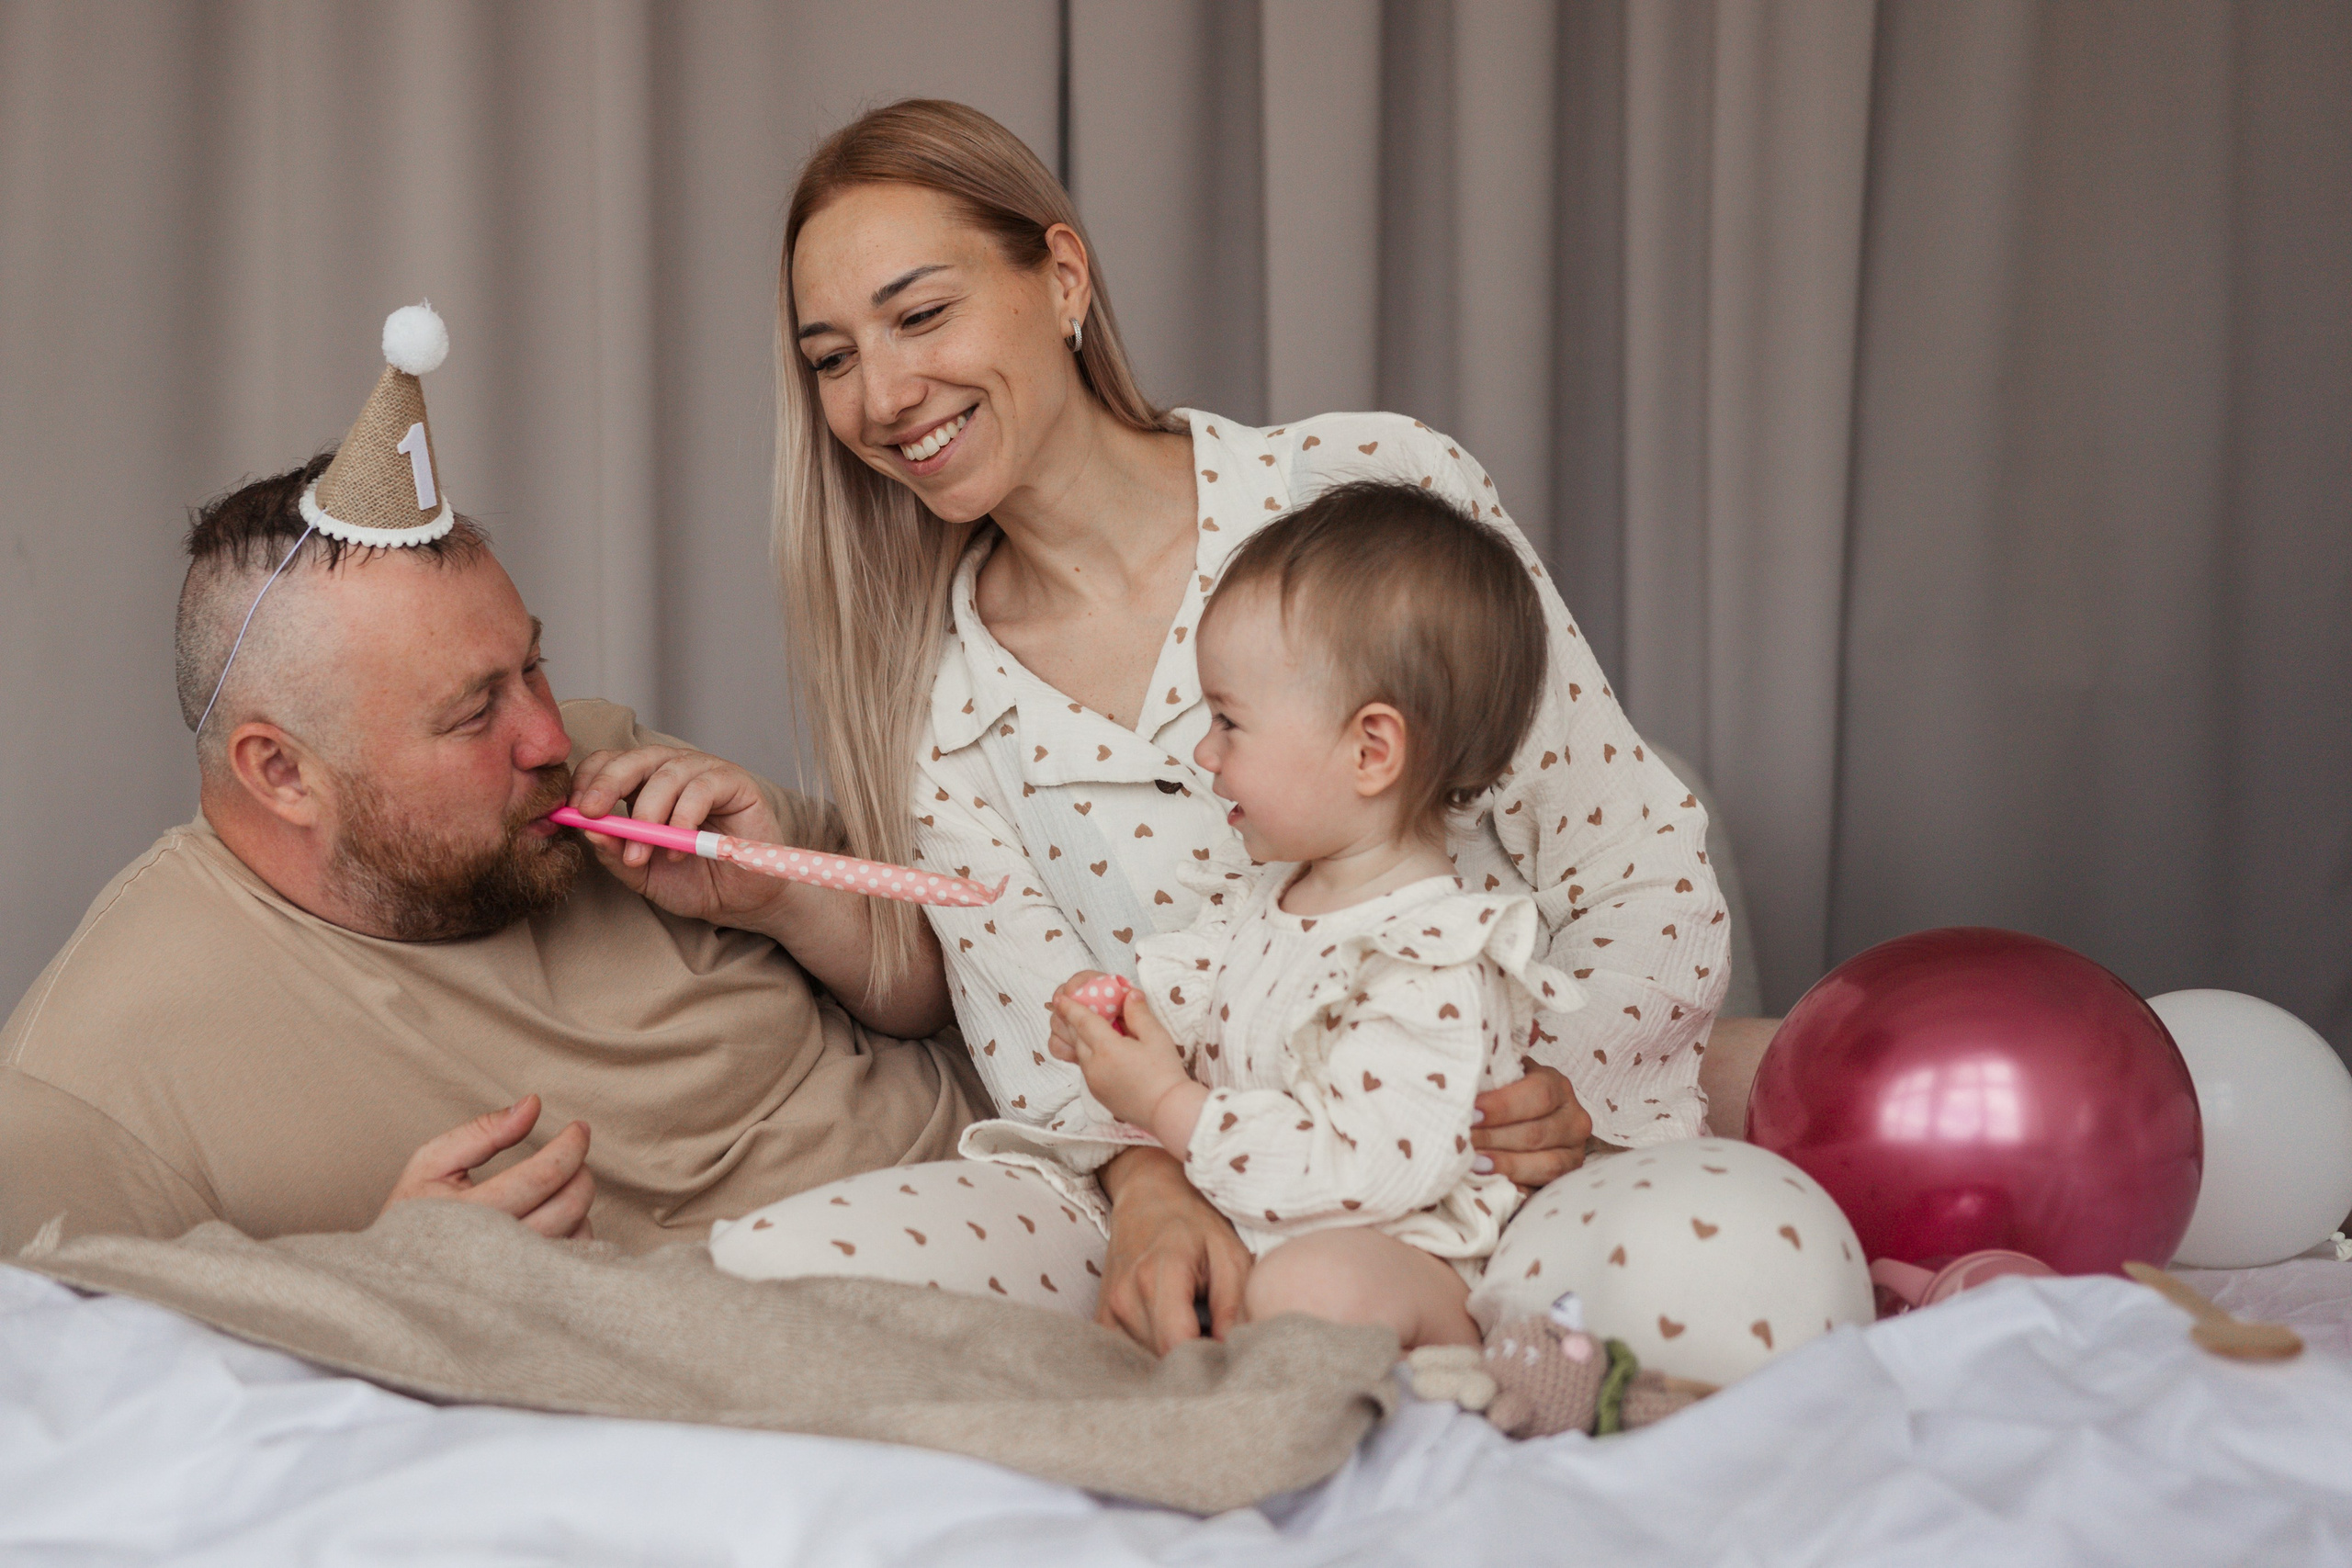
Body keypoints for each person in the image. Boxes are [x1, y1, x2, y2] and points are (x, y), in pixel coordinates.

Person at [703, 99, 1731, 1350]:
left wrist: (1554, 1088)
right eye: (831, 357)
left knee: (1709, 1271)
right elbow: (1047, 1045)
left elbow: (1634, 867)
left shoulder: (1361, 491)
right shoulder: (939, 707)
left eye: (920, 314)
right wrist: (1151, 1187)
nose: (883, 392)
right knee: (781, 1274)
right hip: (1205, 1181)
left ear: (1062, 278)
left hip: (1488, 1160)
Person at [0, 311, 985, 1254]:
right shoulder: (93, 1068)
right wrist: (387, 1287)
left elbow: (962, 987)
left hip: (1024, 1191)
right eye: (474, 713)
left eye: (535, 666)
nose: (551, 735)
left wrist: (787, 896)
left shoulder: (612, 770)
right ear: (282, 772)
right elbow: (62, 1393)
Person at [1047, 479, 1577, 1351]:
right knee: (1223, 1293)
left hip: (1391, 1261)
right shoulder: (1269, 898)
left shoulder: (1429, 956)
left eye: (1228, 721)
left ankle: (1416, 1381)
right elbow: (1209, 1023)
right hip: (1250, 1232)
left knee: (1307, 1283)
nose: (1204, 753)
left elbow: (1368, 1172)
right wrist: (1116, 1023)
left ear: (1371, 750)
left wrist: (1171, 1104)